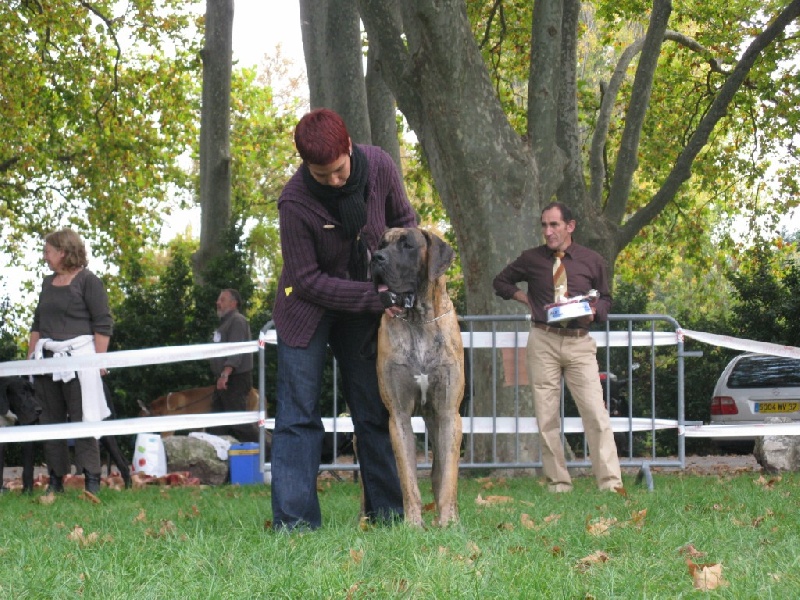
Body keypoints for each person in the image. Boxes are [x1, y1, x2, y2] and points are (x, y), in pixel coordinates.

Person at [270, 108, 417, 530]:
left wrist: (403, 278)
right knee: (298, 417)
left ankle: (388, 515)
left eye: (337, 170)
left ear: (349, 147)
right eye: (322, 174)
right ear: (305, 166)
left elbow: (404, 222)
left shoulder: (381, 167)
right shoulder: (295, 201)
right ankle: (295, 524)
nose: (333, 180)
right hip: (306, 311)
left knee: (373, 409)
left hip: (363, 308)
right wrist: (376, 297)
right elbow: (309, 281)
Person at [492, 202, 623, 493]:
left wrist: (594, 312)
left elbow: (606, 298)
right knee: (546, 416)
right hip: (543, 340)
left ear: (570, 226)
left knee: (596, 414)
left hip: (580, 343)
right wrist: (524, 298)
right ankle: (559, 483)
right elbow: (500, 281)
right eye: (544, 225)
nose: (548, 231)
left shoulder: (593, 260)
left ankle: (611, 483)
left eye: (554, 225)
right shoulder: (531, 258)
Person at [27, 228, 113, 494]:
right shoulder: (46, 283)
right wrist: (30, 360)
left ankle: (91, 479)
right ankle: (55, 479)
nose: (45, 257)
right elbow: (38, 324)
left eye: (48, 251)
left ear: (63, 252)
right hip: (48, 360)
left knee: (83, 417)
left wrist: (98, 361)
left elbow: (103, 323)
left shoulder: (89, 282)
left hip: (79, 359)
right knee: (50, 420)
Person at [208, 288, 257, 443]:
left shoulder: (237, 321)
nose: (218, 303)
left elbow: (236, 350)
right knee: (216, 425)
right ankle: (218, 460)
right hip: (225, 379)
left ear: (233, 303)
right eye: (218, 300)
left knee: (238, 422)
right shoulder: (225, 323)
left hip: (234, 379)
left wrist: (225, 374)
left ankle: (270, 453)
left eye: (222, 300)